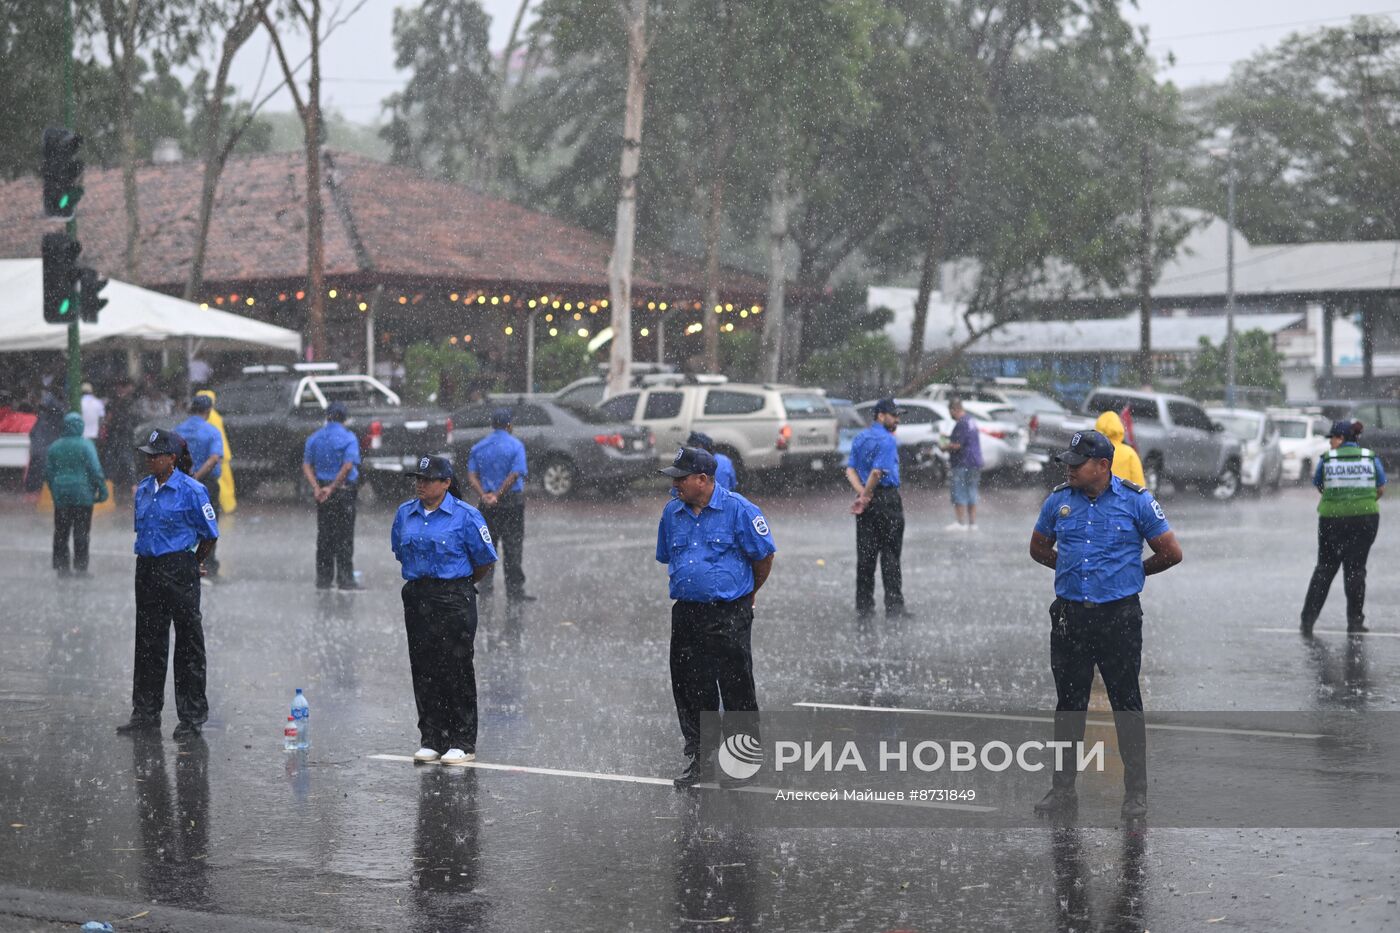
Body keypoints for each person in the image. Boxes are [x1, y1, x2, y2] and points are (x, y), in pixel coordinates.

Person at [1028, 430, 1182, 819]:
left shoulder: (1136, 501)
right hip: (1070, 616)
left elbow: (1170, 552)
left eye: (1077, 464)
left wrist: (1131, 574)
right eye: (1068, 463)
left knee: (1126, 704)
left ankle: (1135, 793)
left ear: (1102, 466)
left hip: (1119, 617)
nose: (1070, 469)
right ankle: (1062, 790)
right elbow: (1038, 547)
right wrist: (1070, 570)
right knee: (1069, 706)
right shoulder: (1058, 502)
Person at [656, 446, 776, 787]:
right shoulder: (671, 513)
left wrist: (748, 595)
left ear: (703, 479)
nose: (676, 484)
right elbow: (667, 555)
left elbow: (764, 557)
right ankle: (700, 758)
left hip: (729, 612)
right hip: (687, 612)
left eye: (681, 478)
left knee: (736, 687)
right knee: (691, 687)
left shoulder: (739, 510)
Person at [392, 455, 498, 766]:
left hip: (453, 596)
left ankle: (462, 740)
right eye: (418, 479)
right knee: (424, 668)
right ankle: (432, 737)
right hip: (418, 595)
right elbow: (400, 551)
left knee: (456, 667)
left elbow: (484, 562)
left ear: (446, 483)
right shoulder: (405, 513)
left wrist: (457, 586)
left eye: (428, 479)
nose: (420, 484)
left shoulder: (466, 516)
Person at [118, 428, 219, 739]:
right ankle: (145, 713)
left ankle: (191, 718)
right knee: (148, 642)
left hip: (178, 569)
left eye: (155, 456)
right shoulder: (145, 489)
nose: (149, 462)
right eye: (147, 456)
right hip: (147, 569)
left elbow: (209, 534)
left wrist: (192, 562)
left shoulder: (193, 490)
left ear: (171, 459)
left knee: (188, 643)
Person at [1300, 420, 1385, 636]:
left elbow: (1319, 484)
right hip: (1365, 519)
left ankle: (1308, 621)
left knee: (1325, 570)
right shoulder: (1369, 457)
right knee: (1355, 570)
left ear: (1342, 438)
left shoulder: (1328, 459)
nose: (1331, 444)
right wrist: (1360, 502)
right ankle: (1355, 622)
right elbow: (1381, 487)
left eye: (1333, 439)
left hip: (1333, 520)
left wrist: (1340, 502)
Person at [845, 398, 905, 617]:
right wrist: (867, 494)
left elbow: (850, 470)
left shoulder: (860, 438)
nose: (897, 419)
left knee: (866, 555)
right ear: (881, 416)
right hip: (886, 500)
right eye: (894, 415)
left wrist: (861, 494)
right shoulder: (888, 440)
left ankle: (864, 604)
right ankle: (894, 604)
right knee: (890, 554)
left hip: (867, 503)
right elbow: (877, 473)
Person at [466, 408, 533, 602]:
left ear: (492, 425)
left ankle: (485, 589)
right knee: (513, 546)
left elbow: (471, 475)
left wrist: (485, 495)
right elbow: (515, 474)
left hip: (486, 505)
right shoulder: (516, 446)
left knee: (487, 545)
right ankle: (514, 591)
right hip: (511, 502)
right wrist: (498, 494)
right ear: (509, 425)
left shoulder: (479, 447)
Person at [303, 402, 362, 590]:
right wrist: (334, 487)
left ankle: (323, 579)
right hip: (343, 492)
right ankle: (345, 579)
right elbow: (348, 466)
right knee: (344, 537)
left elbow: (306, 465)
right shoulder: (349, 438)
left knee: (325, 536)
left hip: (322, 494)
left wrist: (317, 487)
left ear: (327, 417)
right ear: (344, 418)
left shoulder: (314, 438)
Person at [45, 412, 108, 575]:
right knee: (81, 532)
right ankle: (81, 567)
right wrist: (102, 490)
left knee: (61, 532)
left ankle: (61, 567)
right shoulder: (86, 445)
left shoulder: (55, 447)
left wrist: (55, 492)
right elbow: (96, 470)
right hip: (83, 495)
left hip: (62, 495)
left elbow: (49, 474)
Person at [175, 396, 224, 578]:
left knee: (186, 523)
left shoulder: (178, 430)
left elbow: (171, 456)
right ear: (208, 410)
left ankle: (186, 563)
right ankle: (208, 566)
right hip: (206, 484)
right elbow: (214, 458)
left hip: (182, 484)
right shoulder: (212, 431)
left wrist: (187, 477)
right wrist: (197, 476)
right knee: (209, 525)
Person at [945, 398, 984, 531]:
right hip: (975, 461)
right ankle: (972, 524)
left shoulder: (961, 423)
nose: (950, 415)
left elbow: (957, 445)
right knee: (972, 491)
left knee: (959, 491)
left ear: (954, 410)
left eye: (950, 412)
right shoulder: (971, 420)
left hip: (962, 462)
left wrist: (944, 446)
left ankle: (960, 523)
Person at [195, 389, 237, 514]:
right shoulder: (215, 414)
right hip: (222, 452)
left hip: (215, 454)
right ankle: (229, 506)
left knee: (220, 482)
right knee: (226, 482)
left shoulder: (207, 417)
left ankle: (226, 506)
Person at [103, 378, 141, 503]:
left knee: (125, 461)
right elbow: (109, 419)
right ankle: (118, 491)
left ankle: (132, 490)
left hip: (123, 435)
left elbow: (109, 419)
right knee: (118, 462)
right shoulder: (116, 402)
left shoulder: (128, 402)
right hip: (117, 435)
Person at [1094, 410, 1146, 487]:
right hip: (1124, 497)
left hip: (1098, 497)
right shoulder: (1129, 453)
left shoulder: (1093, 451)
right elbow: (1139, 484)